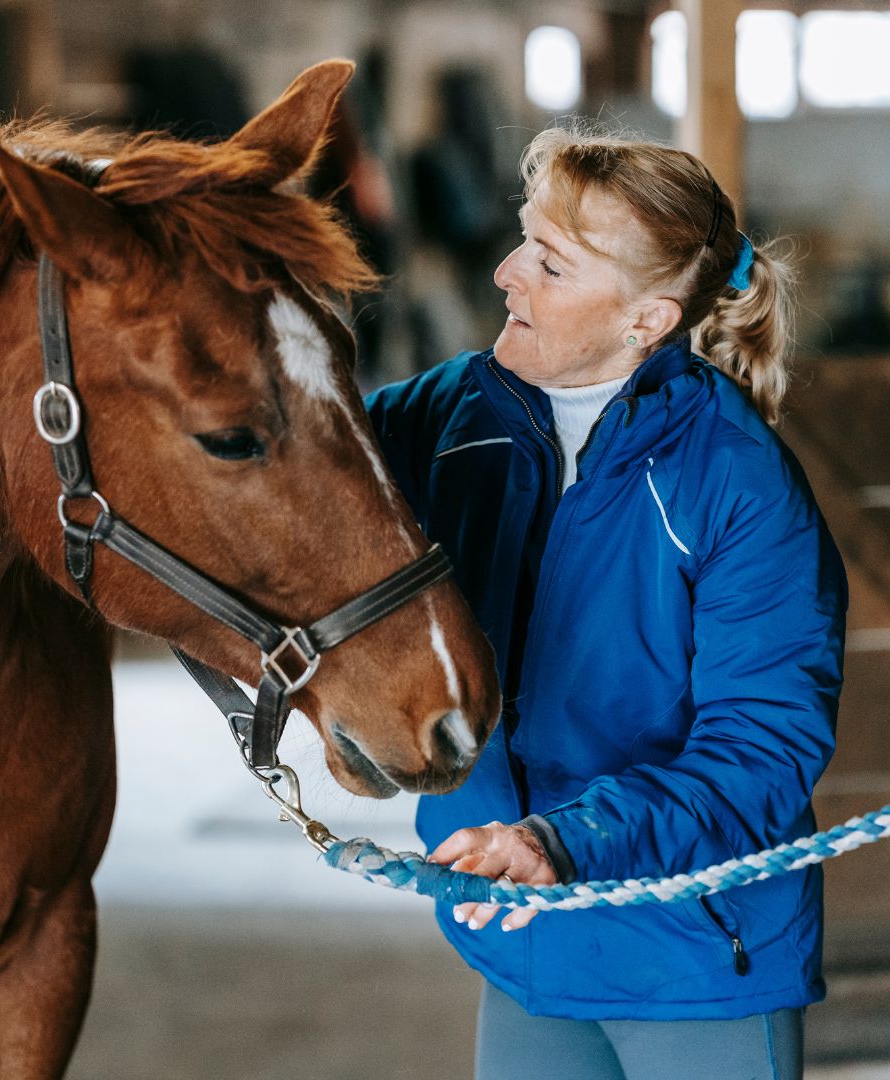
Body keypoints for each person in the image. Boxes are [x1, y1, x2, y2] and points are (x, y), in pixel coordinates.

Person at [366, 128, 847, 1080]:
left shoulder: (734, 481)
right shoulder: (456, 415)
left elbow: (764, 749)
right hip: (526, 955)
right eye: (522, 240)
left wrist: (561, 841)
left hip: (696, 962)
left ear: (647, 320)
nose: (506, 273)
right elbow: (297, 486)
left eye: (549, 262)